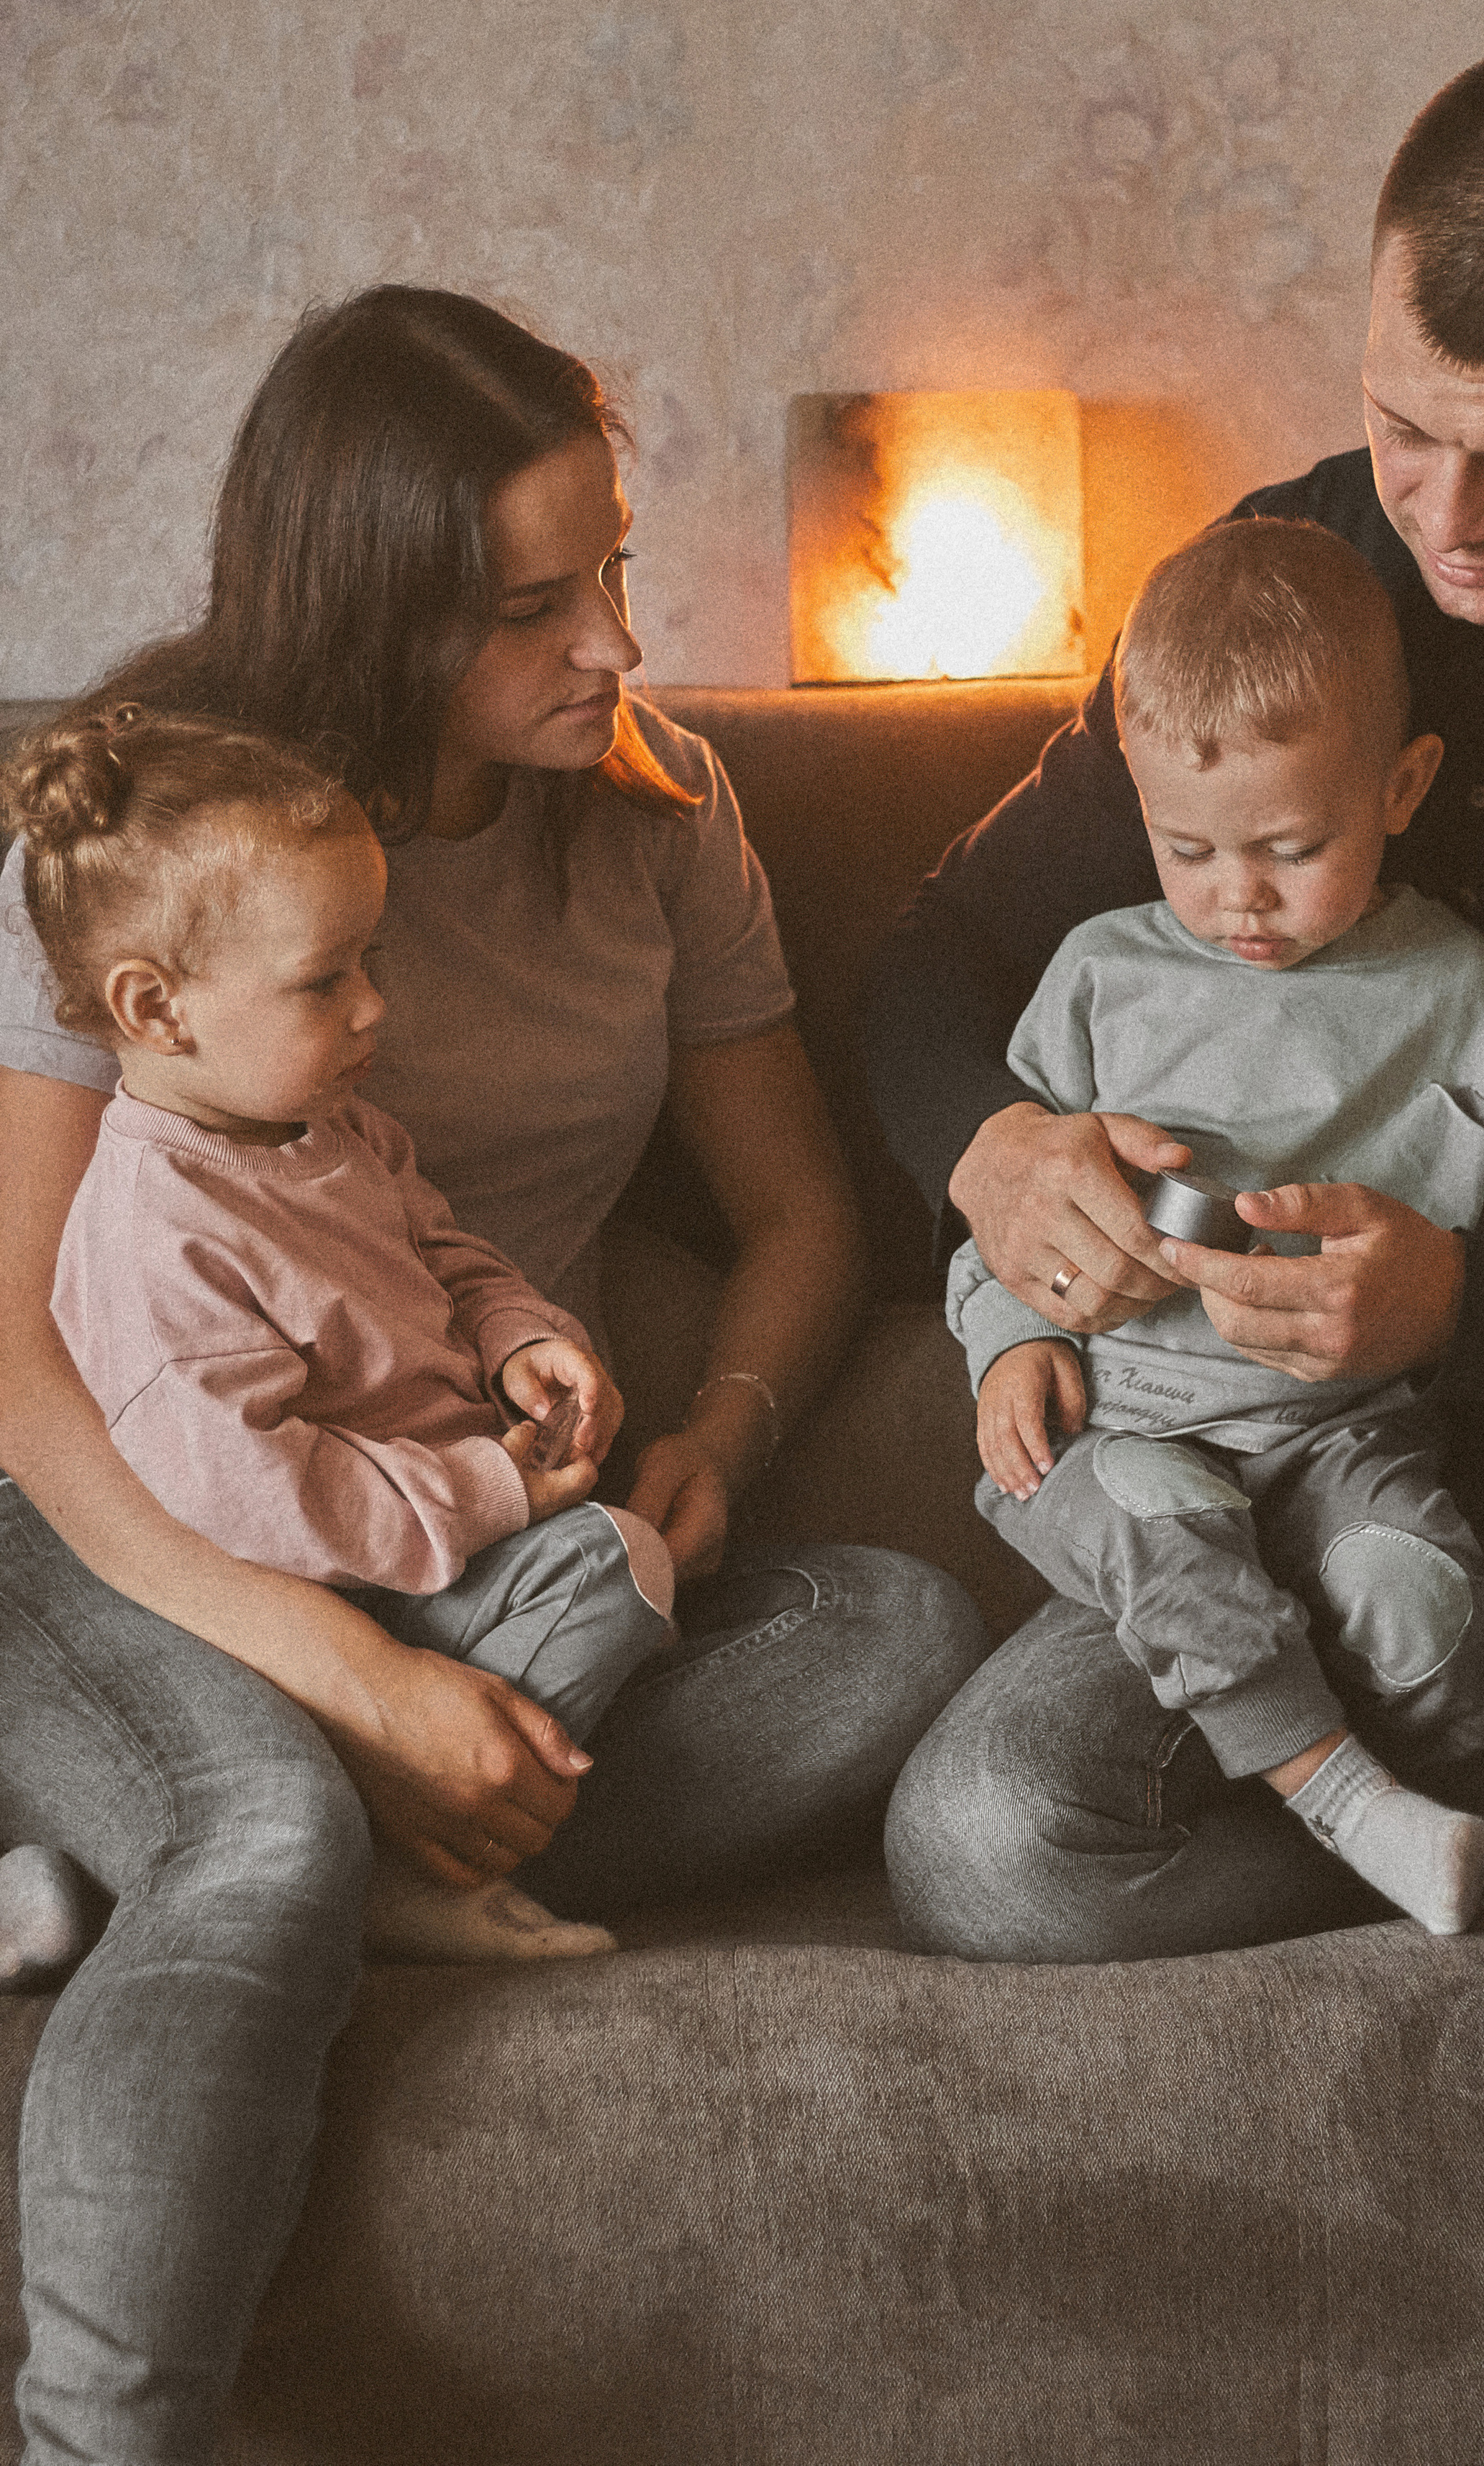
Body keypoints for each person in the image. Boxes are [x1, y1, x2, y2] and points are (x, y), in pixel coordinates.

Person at [868, 39, 1484, 2466]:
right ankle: (1463, 1829)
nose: (1446, 518)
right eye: (1408, 424)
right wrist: (991, 1155)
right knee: (989, 1839)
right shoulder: (1300, 569)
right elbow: (912, 974)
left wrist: (1478, 1305)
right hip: (1256, 1461)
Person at [0, 285, 988, 2465]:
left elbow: (803, 1217)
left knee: (895, 1634)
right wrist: (353, 1694)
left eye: (615, 568)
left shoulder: (660, 810)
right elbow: (17, 1360)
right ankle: (98, 2428)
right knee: (258, 1837)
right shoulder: (162, 836)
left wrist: (713, 1434)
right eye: (541, 605)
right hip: (134, 1512)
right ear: (375, 611)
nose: (620, 643)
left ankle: (276, 1827)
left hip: (467, 1528)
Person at [949, 515, 1484, 1937]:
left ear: (1401, 787)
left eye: (1288, 846)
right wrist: (1010, 1343)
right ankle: (1346, 1804)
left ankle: (1474, 1797)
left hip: (1343, 1428)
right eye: (1184, 848)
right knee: (1171, 1543)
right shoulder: (1098, 977)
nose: (1234, 896)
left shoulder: (1452, 983)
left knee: (1418, 1592)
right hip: (1125, 1427)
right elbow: (997, 1227)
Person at [9, 706, 692, 1963]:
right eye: (328, 980)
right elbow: (258, 1499)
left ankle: (247, 1874)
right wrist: (489, 1487)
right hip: (326, 1598)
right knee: (619, 1565)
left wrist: (518, 1339)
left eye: (369, 961)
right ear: (155, 1012)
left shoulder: (338, 1132)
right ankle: (387, 1866)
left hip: (434, 1554)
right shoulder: (158, 1231)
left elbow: (443, 1251)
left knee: (693, 1586)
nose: (376, 1008)